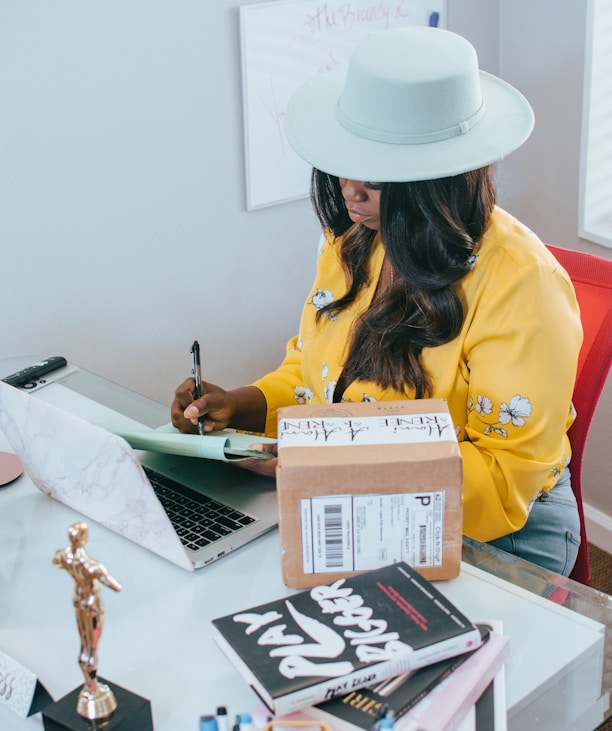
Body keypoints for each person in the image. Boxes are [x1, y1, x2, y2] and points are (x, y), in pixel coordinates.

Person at [171, 27, 582, 576]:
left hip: (500, 530)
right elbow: (316, 373)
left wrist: (330, 464)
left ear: (441, 177)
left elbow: (503, 479)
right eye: (347, 161)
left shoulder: (522, 283)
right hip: (357, 494)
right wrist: (242, 406)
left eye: (378, 176)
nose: (350, 190)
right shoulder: (353, 240)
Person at [54, 522, 122, 719]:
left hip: (78, 602)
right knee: (92, 646)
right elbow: (115, 585)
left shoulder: (65, 556)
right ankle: (92, 687)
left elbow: (56, 561)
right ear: (84, 539)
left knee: (85, 644)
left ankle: (89, 685)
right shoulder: (91, 566)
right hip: (92, 605)